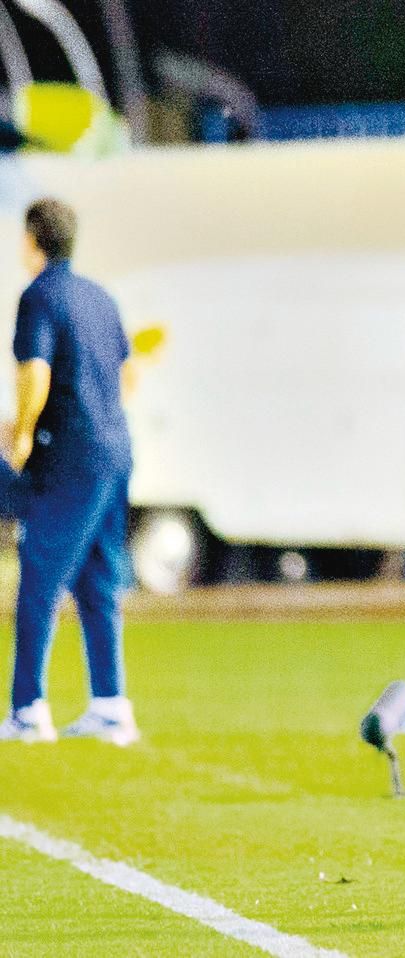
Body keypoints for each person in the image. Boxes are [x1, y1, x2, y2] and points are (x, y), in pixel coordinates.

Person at [0, 198, 139, 745]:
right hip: (116, 451)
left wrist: (24, 432)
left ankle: (27, 709)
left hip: (70, 457)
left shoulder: (39, 297)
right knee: (98, 580)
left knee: (39, 577)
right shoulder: (101, 297)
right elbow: (128, 376)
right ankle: (110, 705)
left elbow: (35, 370)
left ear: (34, 240)